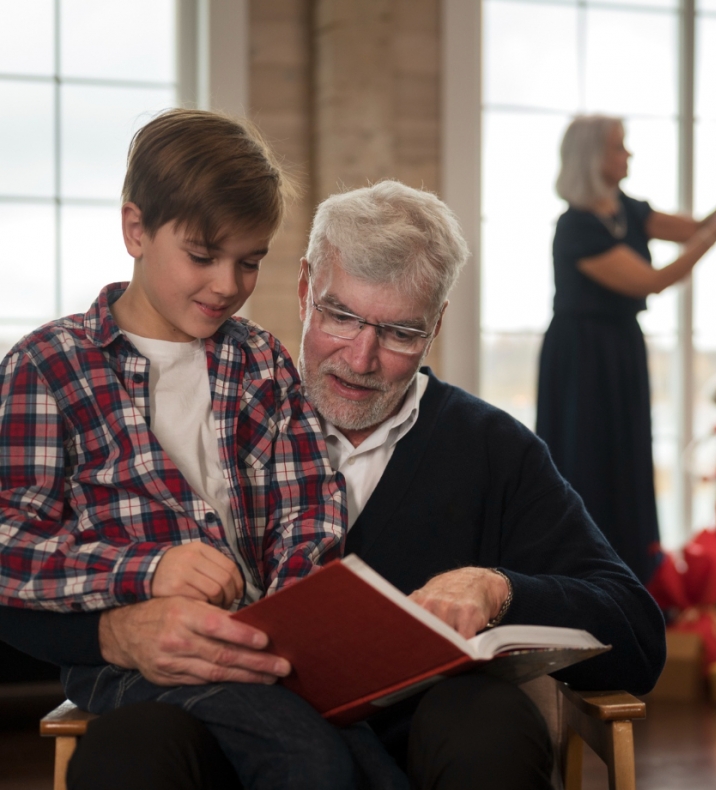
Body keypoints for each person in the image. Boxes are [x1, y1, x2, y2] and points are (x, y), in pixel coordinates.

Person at [0, 180, 666, 789]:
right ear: (303, 289)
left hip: (424, 745)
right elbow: (23, 576)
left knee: (487, 718)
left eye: (400, 332)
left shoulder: (491, 449)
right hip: (225, 737)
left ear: (435, 327)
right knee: (129, 751)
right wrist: (112, 633)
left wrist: (497, 587)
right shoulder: (221, 405)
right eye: (340, 316)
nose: (361, 358)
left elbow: (635, 637)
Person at [0, 109, 414, 787]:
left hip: (267, 649)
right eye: (203, 255)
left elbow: (308, 502)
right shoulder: (49, 367)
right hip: (145, 663)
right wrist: (148, 570)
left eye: (249, 261)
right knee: (310, 764)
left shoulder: (260, 361)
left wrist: (298, 599)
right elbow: (11, 543)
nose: (227, 284)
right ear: (136, 230)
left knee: (376, 769)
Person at [537, 114, 716, 582]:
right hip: (584, 358)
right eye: (619, 147)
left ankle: (630, 578)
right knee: (587, 460)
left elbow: (695, 227)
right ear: (593, 158)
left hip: (620, 349)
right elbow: (655, 280)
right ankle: (586, 579)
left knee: (626, 459)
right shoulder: (577, 228)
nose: (629, 155)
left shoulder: (626, 210)